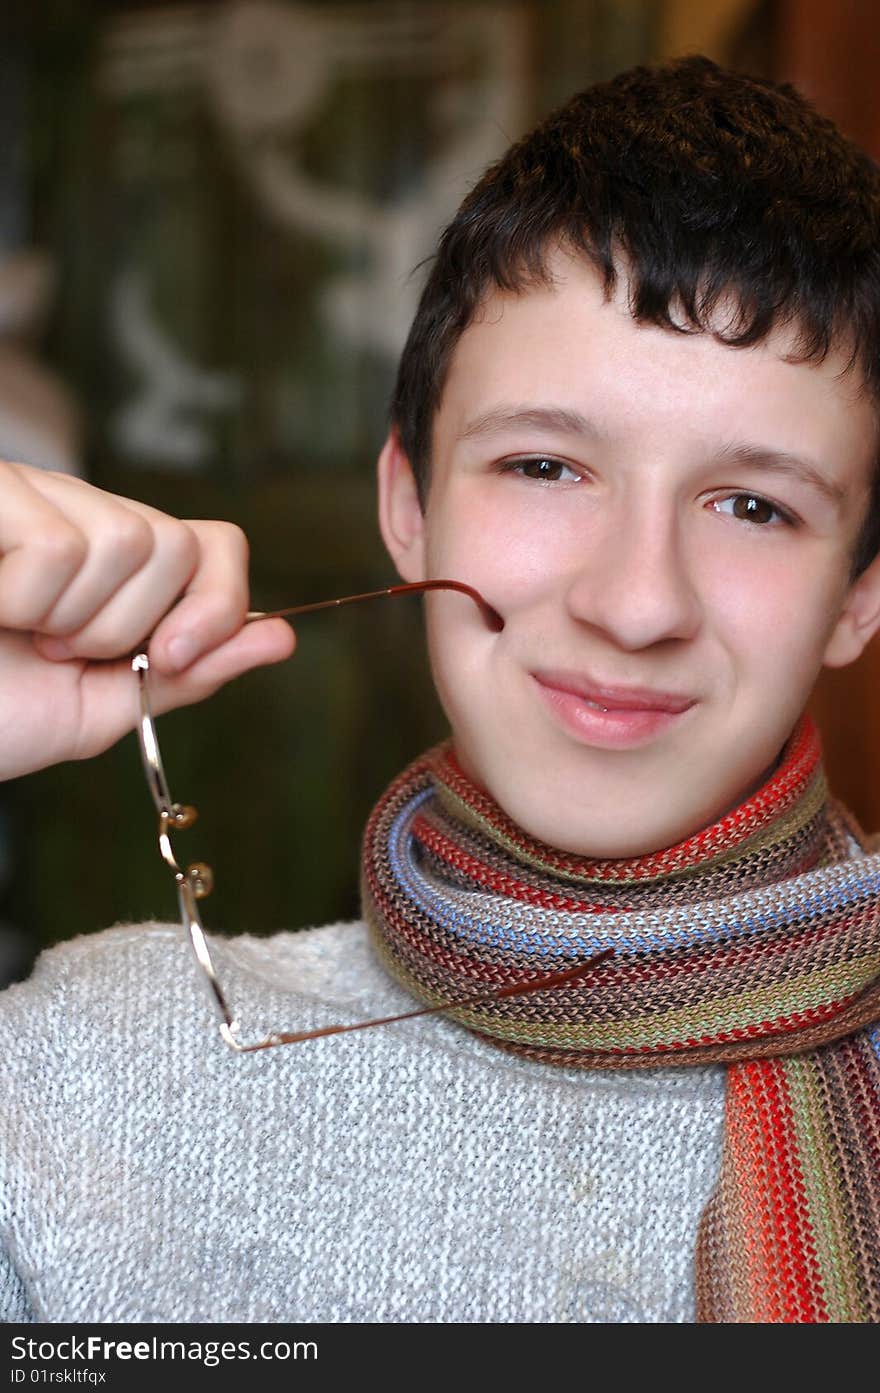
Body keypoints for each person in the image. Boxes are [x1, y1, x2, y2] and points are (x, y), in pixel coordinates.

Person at [2, 54, 880, 1325]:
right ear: (408, 507)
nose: (637, 603)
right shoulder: (96, 1072)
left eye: (752, 505)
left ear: (858, 596)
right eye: (543, 466)